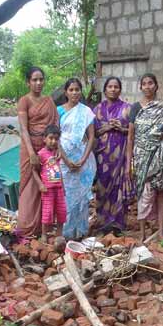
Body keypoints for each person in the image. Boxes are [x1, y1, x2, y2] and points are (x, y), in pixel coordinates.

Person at [127, 73, 163, 242]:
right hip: (141, 157)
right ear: (140, 87)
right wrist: (129, 163)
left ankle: (161, 231)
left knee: (161, 193)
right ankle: (142, 233)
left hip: (160, 155)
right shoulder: (135, 108)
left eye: (150, 83)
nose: (147, 86)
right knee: (143, 193)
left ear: (156, 86)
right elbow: (131, 137)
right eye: (144, 84)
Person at [16, 67, 58, 238]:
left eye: (41, 79)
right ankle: (27, 229)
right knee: (29, 186)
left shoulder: (49, 101)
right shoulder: (24, 101)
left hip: (47, 147)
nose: (38, 83)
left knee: (47, 185)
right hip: (29, 147)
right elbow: (23, 129)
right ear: (28, 82)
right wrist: (32, 153)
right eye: (34, 80)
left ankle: (44, 229)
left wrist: (56, 149)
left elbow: (56, 126)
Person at [57, 78, 97, 239]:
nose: (74, 93)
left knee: (81, 197)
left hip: (83, 159)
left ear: (81, 91)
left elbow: (91, 136)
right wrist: (66, 160)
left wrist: (83, 159)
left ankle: (80, 232)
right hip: (64, 159)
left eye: (77, 90)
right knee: (67, 196)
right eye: (71, 90)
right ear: (66, 92)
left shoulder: (86, 112)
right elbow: (55, 136)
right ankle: (66, 233)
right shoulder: (58, 111)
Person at [94, 77, 134, 233]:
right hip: (102, 157)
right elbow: (92, 134)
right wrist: (105, 128)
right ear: (105, 90)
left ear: (120, 90)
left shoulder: (127, 108)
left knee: (118, 188)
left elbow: (132, 133)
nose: (113, 89)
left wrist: (121, 129)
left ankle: (118, 224)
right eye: (110, 86)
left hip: (121, 157)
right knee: (102, 188)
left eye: (116, 87)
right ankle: (102, 223)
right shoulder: (97, 109)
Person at [36, 125, 66, 242]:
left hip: (58, 187)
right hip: (47, 189)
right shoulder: (41, 154)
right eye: (51, 138)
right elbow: (34, 171)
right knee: (47, 212)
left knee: (61, 211)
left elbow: (59, 169)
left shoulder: (57, 153)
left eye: (56, 139)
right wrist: (40, 184)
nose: (53, 141)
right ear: (44, 138)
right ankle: (44, 234)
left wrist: (63, 186)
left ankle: (59, 234)